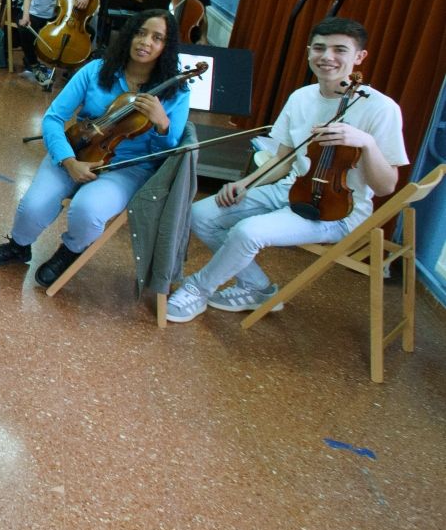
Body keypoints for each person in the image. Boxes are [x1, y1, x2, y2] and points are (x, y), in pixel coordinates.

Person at [166, 17, 408, 322]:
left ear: (359, 57)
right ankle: (256, 286)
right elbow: (283, 159)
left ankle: (199, 289)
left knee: (248, 232)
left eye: (340, 50)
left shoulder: (382, 109)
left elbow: (386, 187)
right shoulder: (301, 97)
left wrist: (368, 144)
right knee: (199, 215)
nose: (327, 57)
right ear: (308, 52)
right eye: (319, 48)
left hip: (340, 210)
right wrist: (248, 184)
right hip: (291, 189)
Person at [0, 9, 191, 285]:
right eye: (141, 32)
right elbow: (54, 118)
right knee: (33, 206)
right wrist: (68, 160)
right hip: (78, 148)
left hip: (125, 168)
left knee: (87, 210)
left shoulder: (176, 93)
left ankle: (70, 251)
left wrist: (162, 124)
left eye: (157, 38)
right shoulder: (96, 71)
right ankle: (19, 246)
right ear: (129, 35)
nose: (146, 42)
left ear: (166, 47)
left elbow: (168, 153)